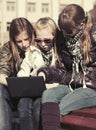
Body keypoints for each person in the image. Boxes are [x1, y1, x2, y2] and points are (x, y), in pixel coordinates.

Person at [37, 4, 96, 130]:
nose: (65, 35)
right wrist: (46, 73)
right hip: (72, 84)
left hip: (92, 87)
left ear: (81, 25)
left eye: (69, 31)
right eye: (62, 30)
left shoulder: (93, 37)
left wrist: (79, 79)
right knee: (48, 95)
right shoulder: (64, 40)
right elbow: (63, 70)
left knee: (61, 107)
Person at [17, 17, 60, 130]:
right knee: (23, 107)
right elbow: (23, 72)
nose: (43, 44)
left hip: (50, 90)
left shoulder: (59, 52)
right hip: (32, 89)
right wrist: (25, 81)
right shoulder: (32, 52)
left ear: (55, 37)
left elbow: (63, 75)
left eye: (47, 40)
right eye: (38, 40)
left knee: (38, 109)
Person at [0, 17, 35, 130]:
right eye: (19, 41)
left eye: (26, 39)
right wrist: (19, 85)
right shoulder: (7, 48)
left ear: (31, 35)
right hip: (13, 91)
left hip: (33, 94)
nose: (24, 44)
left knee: (25, 103)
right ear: (13, 40)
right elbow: (1, 75)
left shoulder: (39, 45)